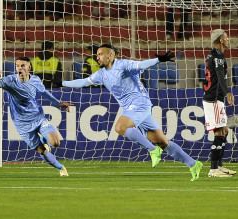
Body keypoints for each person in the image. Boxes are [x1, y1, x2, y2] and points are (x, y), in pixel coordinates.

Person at [62, 44, 203, 181]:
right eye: (97, 55)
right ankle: (193, 164)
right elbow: (83, 82)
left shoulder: (122, 65)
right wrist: (63, 83)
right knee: (162, 142)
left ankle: (152, 150)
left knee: (120, 127)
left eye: (100, 54)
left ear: (110, 55)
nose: (97, 57)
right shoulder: (102, 74)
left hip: (139, 104)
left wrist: (158, 60)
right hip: (135, 110)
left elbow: (141, 65)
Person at [0, 56, 71, 177]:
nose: (19, 68)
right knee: (42, 151)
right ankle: (61, 168)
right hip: (22, 124)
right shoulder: (10, 81)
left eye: (22, 65)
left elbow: (44, 92)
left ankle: (44, 139)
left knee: (56, 143)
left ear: (29, 67)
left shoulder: (35, 79)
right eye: (17, 65)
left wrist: (58, 103)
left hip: (38, 118)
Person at [202, 29, 236, 178]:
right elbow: (221, 77)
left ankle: (219, 166)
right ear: (220, 40)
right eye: (226, 37)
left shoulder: (214, 54)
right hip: (214, 98)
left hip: (216, 98)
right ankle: (213, 169)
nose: (228, 39)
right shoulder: (218, 56)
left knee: (225, 131)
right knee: (219, 132)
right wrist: (228, 92)